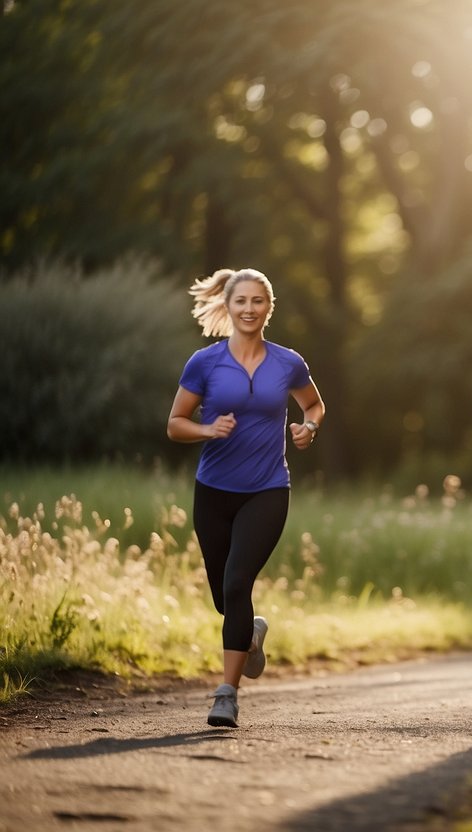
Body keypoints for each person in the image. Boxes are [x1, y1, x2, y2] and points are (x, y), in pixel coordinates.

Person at [167, 268, 325, 728]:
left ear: (268, 307)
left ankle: (226, 694)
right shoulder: (205, 362)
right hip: (213, 492)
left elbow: (313, 403)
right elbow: (175, 423)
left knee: (238, 584)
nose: (249, 309)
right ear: (229, 307)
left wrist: (308, 427)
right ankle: (250, 634)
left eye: (258, 301)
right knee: (225, 598)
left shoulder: (287, 362)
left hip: (268, 489)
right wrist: (206, 429)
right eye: (241, 302)